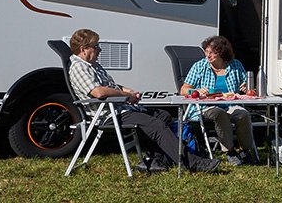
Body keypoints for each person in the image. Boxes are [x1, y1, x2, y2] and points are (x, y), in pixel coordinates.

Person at [67, 28, 219, 173]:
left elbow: (109, 86)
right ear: (83, 49)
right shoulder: (79, 67)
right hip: (108, 114)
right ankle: (193, 163)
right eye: (96, 46)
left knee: (163, 115)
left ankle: (153, 159)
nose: (99, 49)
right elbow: (98, 92)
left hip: (119, 108)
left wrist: (128, 91)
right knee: (157, 125)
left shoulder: (93, 65)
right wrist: (124, 96)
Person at [180, 35, 257, 166]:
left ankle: (245, 150)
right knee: (219, 114)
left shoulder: (235, 65)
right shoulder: (200, 66)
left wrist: (246, 88)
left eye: (211, 52)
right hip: (206, 106)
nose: (207, 55)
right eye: (206, 52)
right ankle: (230, 152)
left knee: (243, 114)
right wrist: (196, 92)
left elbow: (248, 88)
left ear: (221, 52)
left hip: (230, 104)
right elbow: (183, 89)